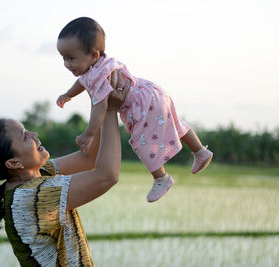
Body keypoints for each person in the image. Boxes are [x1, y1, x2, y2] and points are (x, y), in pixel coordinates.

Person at [0, 72, 129, 266]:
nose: (34, 134)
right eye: (24, 136)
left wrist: (99, 98)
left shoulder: (37, 174)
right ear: (13, 163)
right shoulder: (30, 197)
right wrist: (111, 110)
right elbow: (107, 176)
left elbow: (89, 158)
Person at [56, 17, 213, 203]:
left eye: (71, 58)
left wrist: (89, 134)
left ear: (94, 55)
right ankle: (200, 151)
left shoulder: (98, 78)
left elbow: (101, 107)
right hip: (152, 92)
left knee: (141, 141)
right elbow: (82, 82)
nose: (67, 64)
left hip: (140, 106)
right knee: (175, 122)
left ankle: (161, 178)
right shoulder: (102, 65)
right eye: (64, 58)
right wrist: (69, 94)